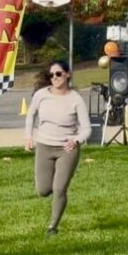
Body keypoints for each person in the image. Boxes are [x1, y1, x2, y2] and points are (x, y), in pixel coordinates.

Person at [23, 60, 91, 235]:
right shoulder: (41, 95)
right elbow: (31, 114)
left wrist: (77, 140)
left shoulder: (75, 99)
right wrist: (28, 136)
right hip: (44, 146)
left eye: (58, 73)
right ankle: (50, 190)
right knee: (43, 190)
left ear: (67, 74)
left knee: (59, 188)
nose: (55, 77)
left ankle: (53, 226)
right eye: (51, 75)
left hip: (67, 149)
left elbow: (86, 128)